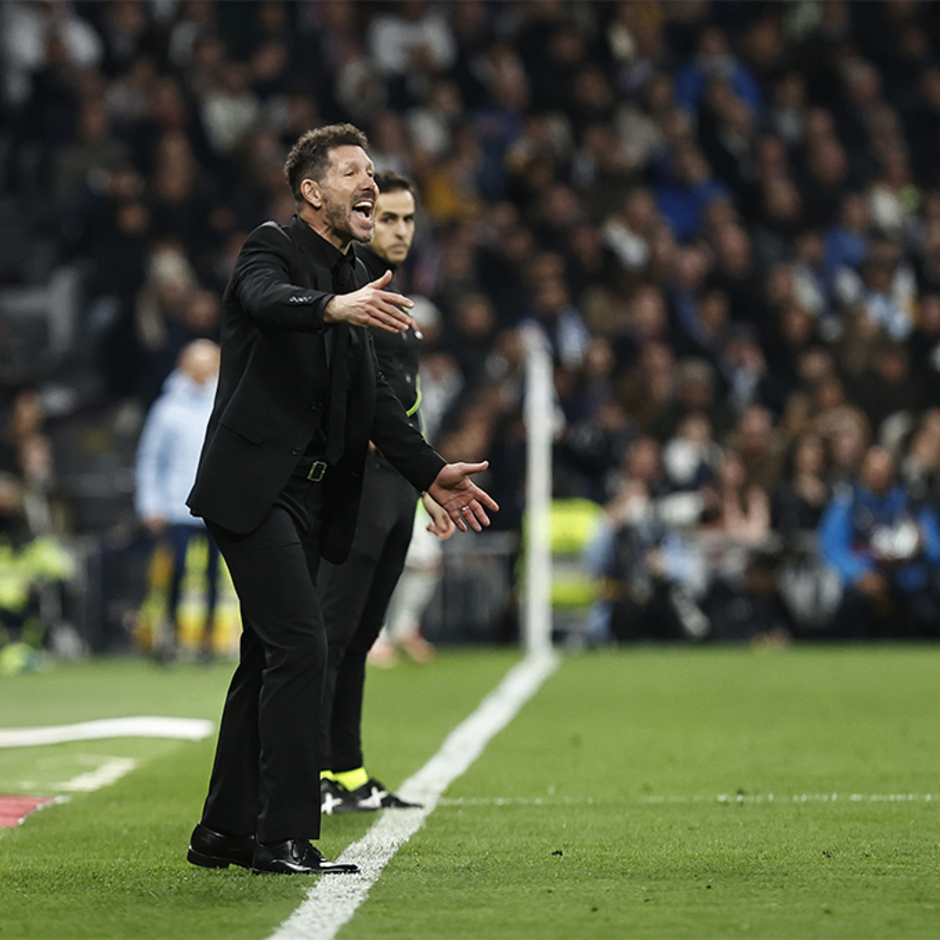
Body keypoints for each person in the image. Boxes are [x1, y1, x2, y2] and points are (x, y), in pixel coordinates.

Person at [184, 123, 497, 876]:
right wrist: (333, 308)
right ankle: (285, 837)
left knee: (267, 655)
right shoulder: (271, 248)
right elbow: (264, 299)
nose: (369, 183)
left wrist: (429, 473)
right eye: (352, 172)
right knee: (303, 644)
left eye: (371, 171)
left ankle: (223, 831)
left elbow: (378, 401)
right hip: (254, 488)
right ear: (311, 191)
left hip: (310, 497)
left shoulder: (355, 274)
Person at [317, 171, 454, 814]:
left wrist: (426, 482)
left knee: (361, 637)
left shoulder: (398, 305)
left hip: (396, 487)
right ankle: (312, 773)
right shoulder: (351, 294)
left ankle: (347, 771)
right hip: (357, 487)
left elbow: (407, 405)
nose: (397, 230)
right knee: (330, 635)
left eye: (407, 219)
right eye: (386, 217)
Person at [135, 339, 222, 663]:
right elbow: (150, 459)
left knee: (215, 577)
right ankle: (169, 634)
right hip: (177, 507)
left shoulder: (224, 401)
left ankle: (208, 641)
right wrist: (150, 504)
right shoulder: (168, 409)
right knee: (177, 572)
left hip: (219, 507)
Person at [819, 446, 940, 639]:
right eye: (873, 470)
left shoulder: (912, 503)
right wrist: (859, 573)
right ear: (863, 471)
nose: (879, 476)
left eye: (884, 471)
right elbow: (831, 547)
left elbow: (936, 550)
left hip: (907, 581)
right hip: (862, 580)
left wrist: (924, 543)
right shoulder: (848, 503)